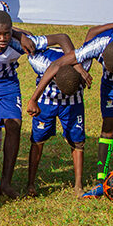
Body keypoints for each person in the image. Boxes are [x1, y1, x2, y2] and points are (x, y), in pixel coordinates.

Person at [38, 20, 113, 197]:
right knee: (108, 126)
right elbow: (57, 64)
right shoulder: (97, 45)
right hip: (111, 83)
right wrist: (34, 98)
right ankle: (100, 181)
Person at [0, 11, 61, 198]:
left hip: (7, 84)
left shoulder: (19, 44)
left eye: (6, 33)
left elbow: (59, 38)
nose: (2, 38)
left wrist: (20, 36)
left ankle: (6, 182)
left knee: (14, 125)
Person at [24, 47, 88, 198]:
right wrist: (33, 100)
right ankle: (31, 183)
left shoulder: (84, 65)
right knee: (38, 139)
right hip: (46, 100)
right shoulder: (40, 63)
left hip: (73, 103)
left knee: (78, 141)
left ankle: (78, 184)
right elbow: (28, 43)